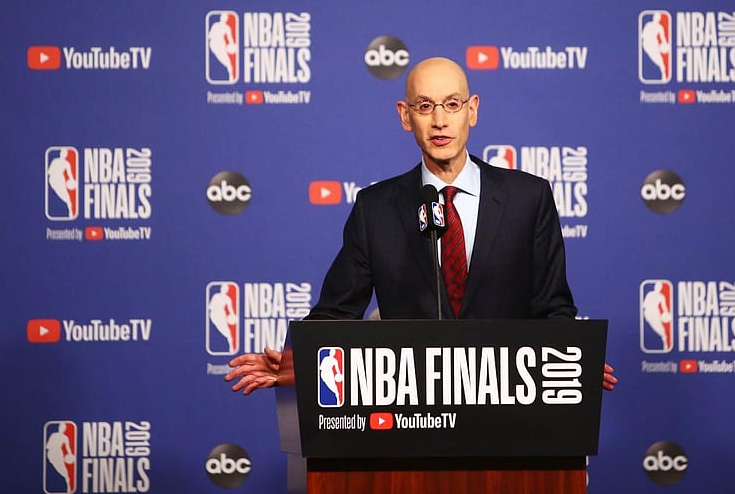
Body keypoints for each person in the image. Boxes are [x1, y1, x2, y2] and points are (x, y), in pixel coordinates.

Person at [225, 56, 617, 394]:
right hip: (414, 416)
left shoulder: (528, 198)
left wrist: (570, 364)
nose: (440, 121)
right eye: (425, 106)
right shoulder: (375, 209)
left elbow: (553, 311)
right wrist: (294, 364)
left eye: (452, 104)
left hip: (512, 409)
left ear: (473, 110)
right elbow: (334, 316)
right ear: (405, 115)